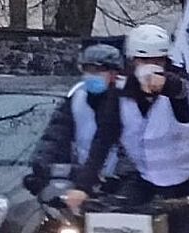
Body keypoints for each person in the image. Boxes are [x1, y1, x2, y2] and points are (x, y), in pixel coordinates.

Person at [75, 25, 189, 233]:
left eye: (158, 60)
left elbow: (181, 92)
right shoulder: (120, 94)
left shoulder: (184, 85)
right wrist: (82, 186)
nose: (151, 65)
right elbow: (102, 141)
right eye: (144, 60)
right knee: (117, 225)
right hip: (146, 179)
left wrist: (165, 84)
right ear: (133, 61)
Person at [28, 43, 124, 199]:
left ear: (114, 73)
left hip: (122, 184)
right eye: (88, 70)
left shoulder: (126, 101)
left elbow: (118, 143)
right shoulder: (77, 99)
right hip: (84, 184)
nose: (92, 75)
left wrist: (120, 176)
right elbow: (55, 135)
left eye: (98, 70)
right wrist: (40, 167)